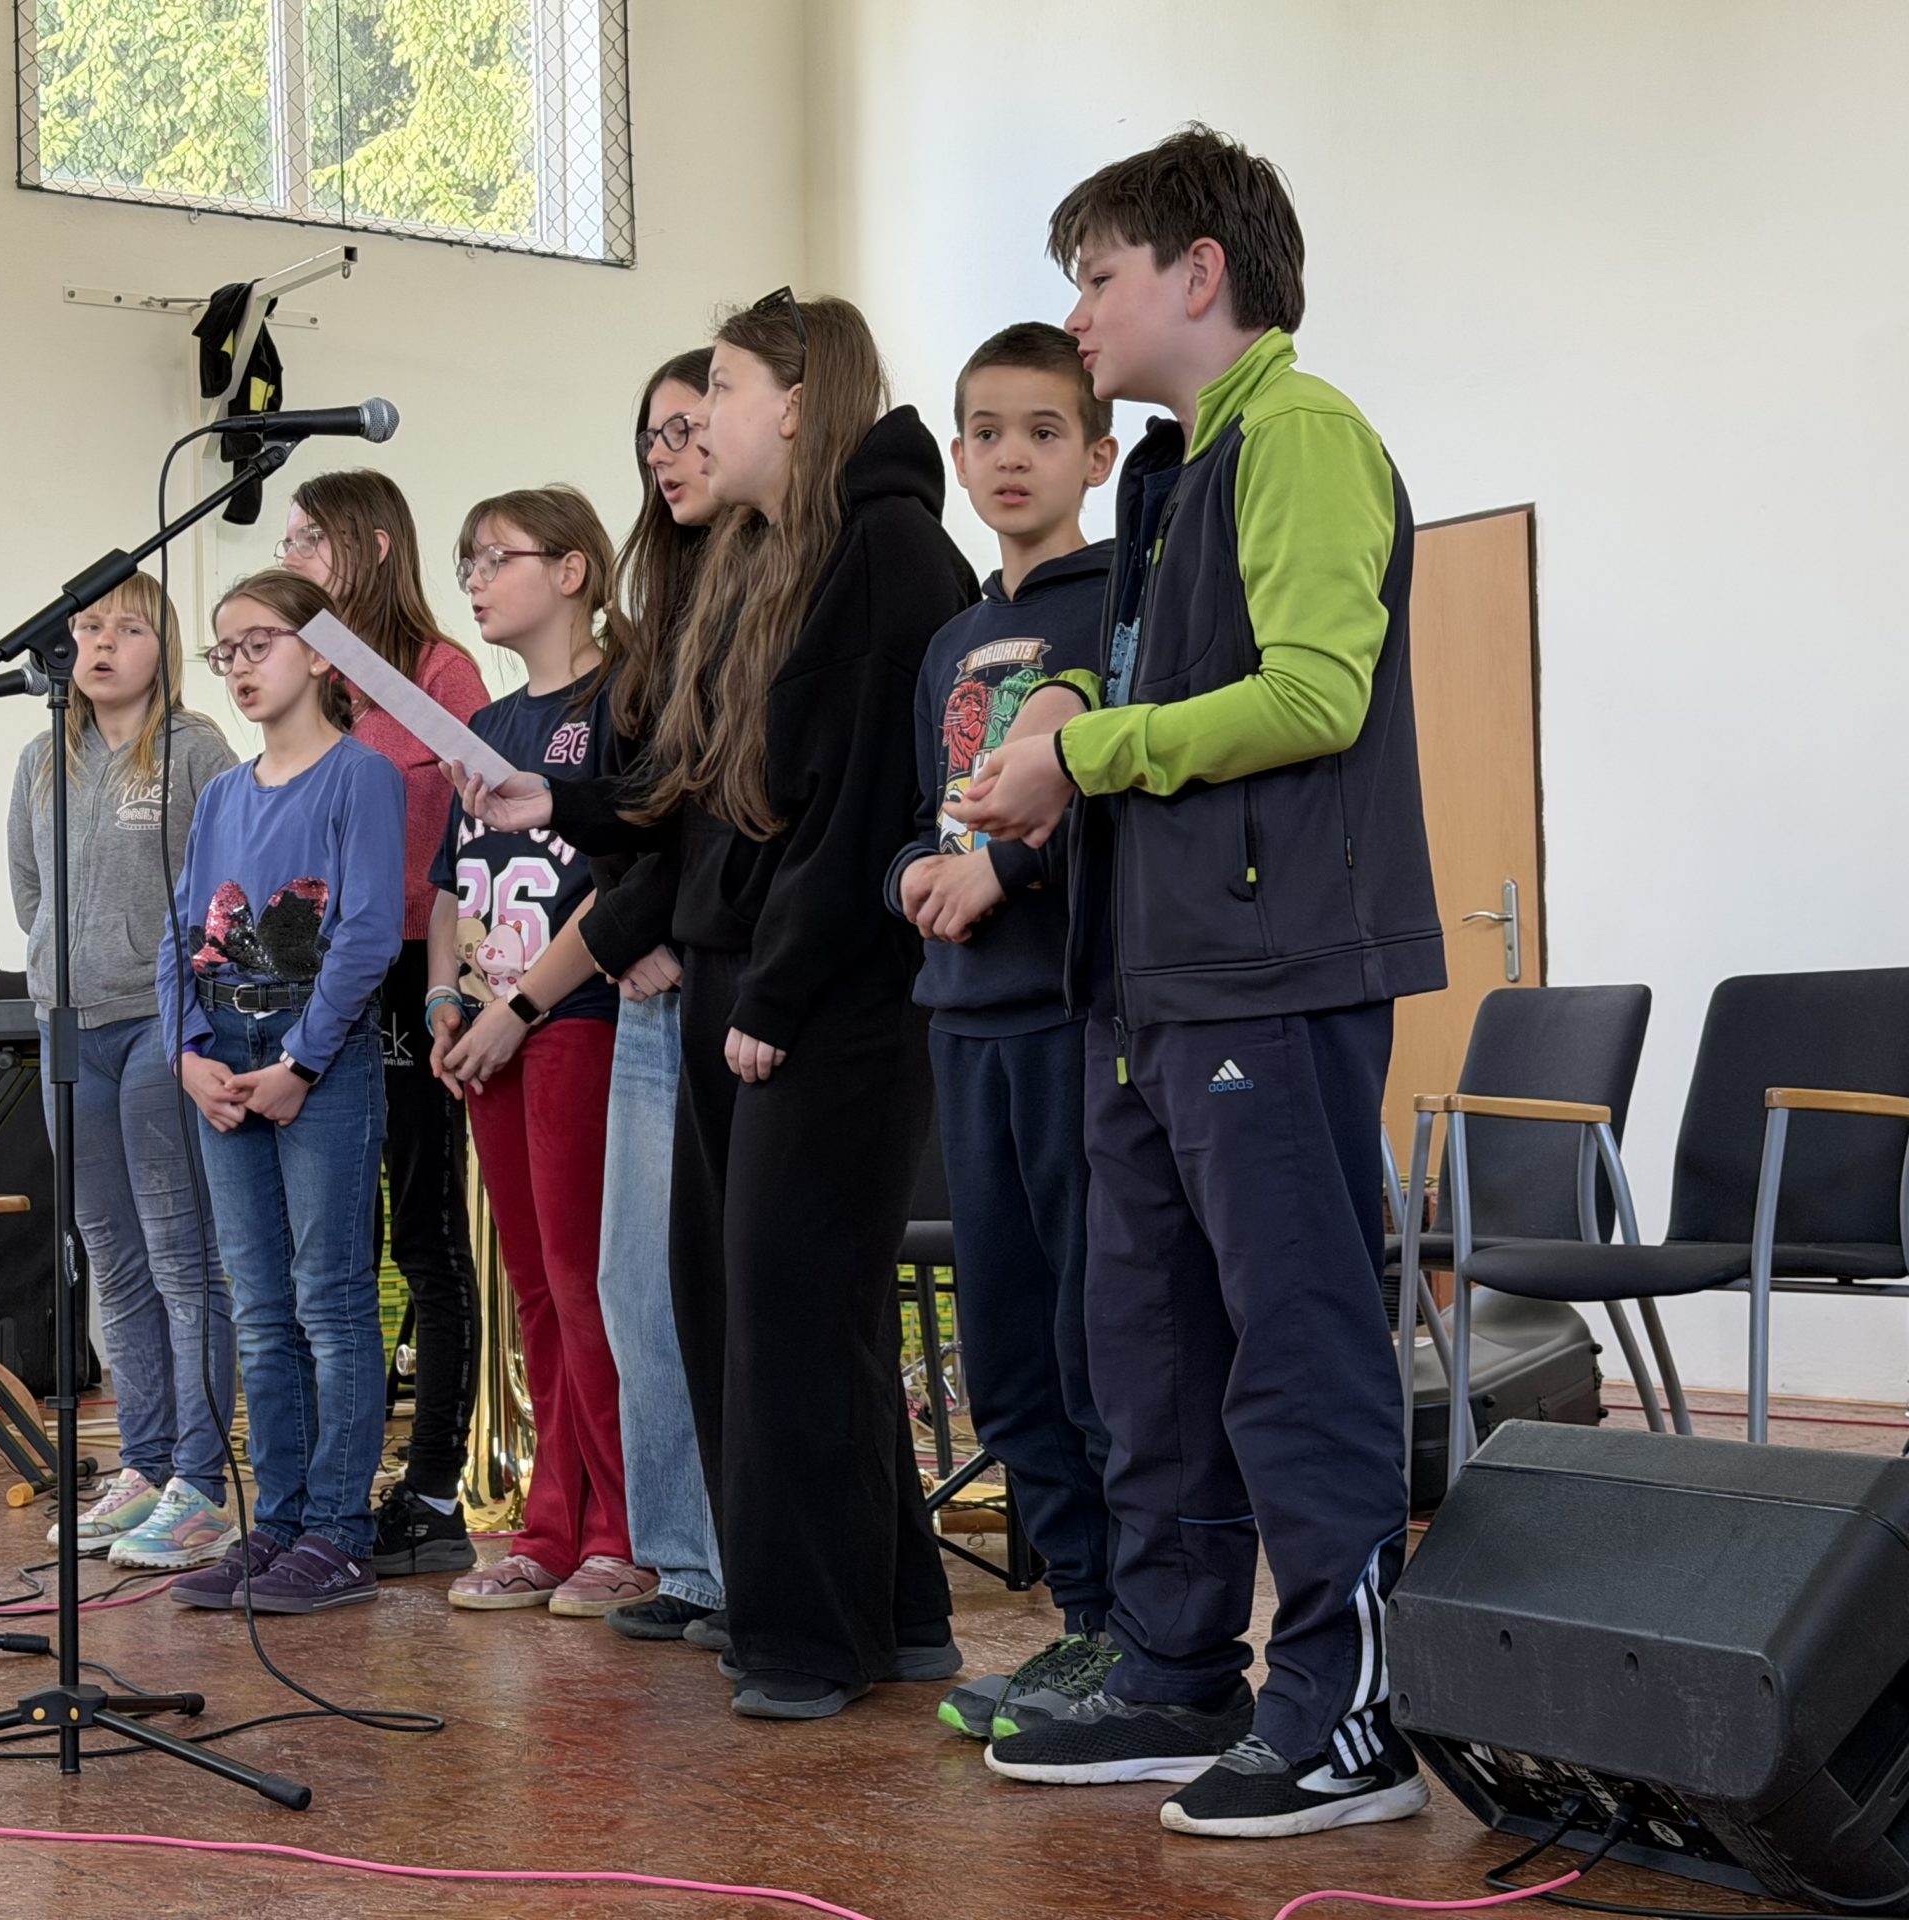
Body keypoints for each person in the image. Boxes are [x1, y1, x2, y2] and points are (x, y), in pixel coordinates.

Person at [950, 126, 1443, 1837]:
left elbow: (1313, 694)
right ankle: (1175, 1666)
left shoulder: (1299, 436)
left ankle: (1345, 1715)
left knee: (1294, 1341)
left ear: (1199, 272)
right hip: (1151, 977)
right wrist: (1070, 719)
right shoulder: (1173, 473)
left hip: (1269, 965)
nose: (1079, 314)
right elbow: (1169, 697)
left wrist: (1088, 752)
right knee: (1148, 1341)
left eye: (1099, 277)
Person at [459, 292, 977, 1718]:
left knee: (785, 1316)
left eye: (726, 390)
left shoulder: (886, 551)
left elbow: (859, 808)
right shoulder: (766, 558)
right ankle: (897, 1609)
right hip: (749, 984)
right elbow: (698, 795)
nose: (700, 419)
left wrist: (782, 989)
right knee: (757, 1306)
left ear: (797, 406)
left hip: (822, 997)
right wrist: (556, 800)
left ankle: (805, 1639)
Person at [882, 323, 1122, 1742]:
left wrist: (1009, 871)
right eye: (986, 432)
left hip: (1070, 1019)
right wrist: (917, 872)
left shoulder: (1121, 611)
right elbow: (920, 811)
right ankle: (1079, 1623)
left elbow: (1121, 804)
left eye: (1043, 430)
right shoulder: (949, 645)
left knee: (1099, 1343)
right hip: (960, 1021)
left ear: (1097, 454)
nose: (1011, 456)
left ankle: (1143, 1634)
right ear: (961, 459)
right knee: (1009, 1352)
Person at [158, 569, 404, 1615]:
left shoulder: (361, 776)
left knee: (330, 1299)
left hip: (318, 1054)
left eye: (260, 643)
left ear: (319, 650)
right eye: (227, 652)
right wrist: (186, 1054)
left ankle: (340, 1532)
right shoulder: (222, 794)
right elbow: (180, 936)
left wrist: (300, 1063)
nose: (240, 667)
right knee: (259, 1307)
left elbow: (368, 933)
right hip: (225, 1050)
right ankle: (282, 1522)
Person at [424, 485, 648, 1617]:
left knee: (584, 1280)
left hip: (575, 1017)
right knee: (532, 1288)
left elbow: (624, 875)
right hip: (488, 1032)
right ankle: (550, 1525)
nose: (473, 579)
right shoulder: (492, 727)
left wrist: (520, 1005)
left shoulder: (624, 698)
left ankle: (622, 1532)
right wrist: (444, 999)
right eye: (465, 560)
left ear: (571, 571)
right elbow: (450, 885)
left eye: (494, 557)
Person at [277, 470, 491, 1576]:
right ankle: (332, 1485)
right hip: (321, 980)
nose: (292, 553)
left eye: (308, 538)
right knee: (331, 1248)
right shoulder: (309, 678)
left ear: (370, 544)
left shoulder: (437, 673)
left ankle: (435, 1490)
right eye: (286, 539)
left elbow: (473, 839)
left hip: (416, 969)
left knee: (424, 1236)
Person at [6, 574, 239, 1572]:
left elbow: (223, 896)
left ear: (164, 647)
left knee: (183, 1255)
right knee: (111, 1252)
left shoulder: (193, 750)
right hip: (68, 1026)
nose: (103, 644)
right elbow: (29, 892)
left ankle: (201, 1484)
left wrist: (168, 993)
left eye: (128, 627)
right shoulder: (40, 757)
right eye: (88, 626)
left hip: (160, 1022)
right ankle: (141, 1467)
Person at [585, 350, 728, 1644]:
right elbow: (631, 813)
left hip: (713, 969)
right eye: (651, 437)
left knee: (711, 1289)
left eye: (689, 427)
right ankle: (683, 1560)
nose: (667, 454)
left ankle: (735, 1564)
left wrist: (644, 926)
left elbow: (719, 823)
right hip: (644, 978)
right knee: (634, 1288)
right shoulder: (654, 620)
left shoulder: (772, 593)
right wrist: (625, 927)